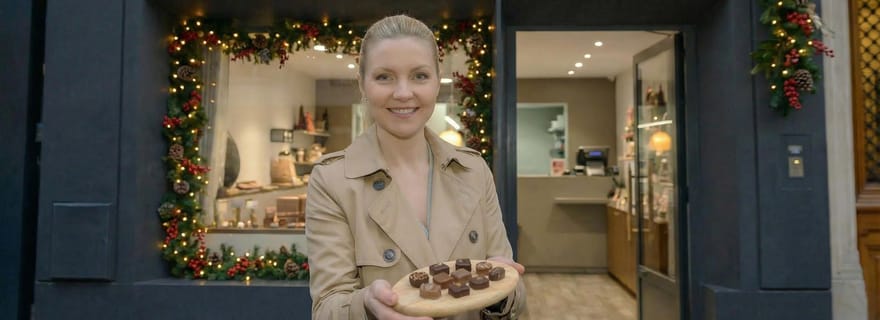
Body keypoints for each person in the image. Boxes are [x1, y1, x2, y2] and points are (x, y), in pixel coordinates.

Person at [306, 14, 526, 320]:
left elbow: (509, 287)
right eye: (384, 77)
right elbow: (327, 307)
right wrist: (366, 305)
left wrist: (501, 295)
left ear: (437, 82)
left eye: (420, 76)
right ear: (362, 84)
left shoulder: (474, 170)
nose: (403, 93)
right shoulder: (332, 181)